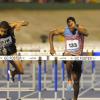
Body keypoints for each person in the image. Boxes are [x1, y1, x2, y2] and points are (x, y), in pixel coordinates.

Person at [49, 16, 88, 100]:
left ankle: (75, 98)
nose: (71, 27)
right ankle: (69, 80)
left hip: (78, 56)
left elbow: (86, 33)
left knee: (77, 80)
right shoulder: (64, 30)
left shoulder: (79, 28)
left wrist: (76, 27)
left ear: (75, 23)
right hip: (68, 53)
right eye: (69, 25)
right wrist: (51, 47)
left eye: (72, 24)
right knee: (69, 58)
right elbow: (51, 33)